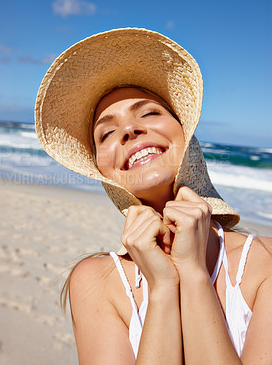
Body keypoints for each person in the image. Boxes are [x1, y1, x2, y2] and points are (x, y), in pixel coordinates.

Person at [35, 28, 272, 364]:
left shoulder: (265, 263)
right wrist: (162, 288)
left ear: (184, 129)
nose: (129, 130)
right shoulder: (96, 282)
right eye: (106, 133)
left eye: (148, 113)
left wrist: (192, 273)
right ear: (102, 169)